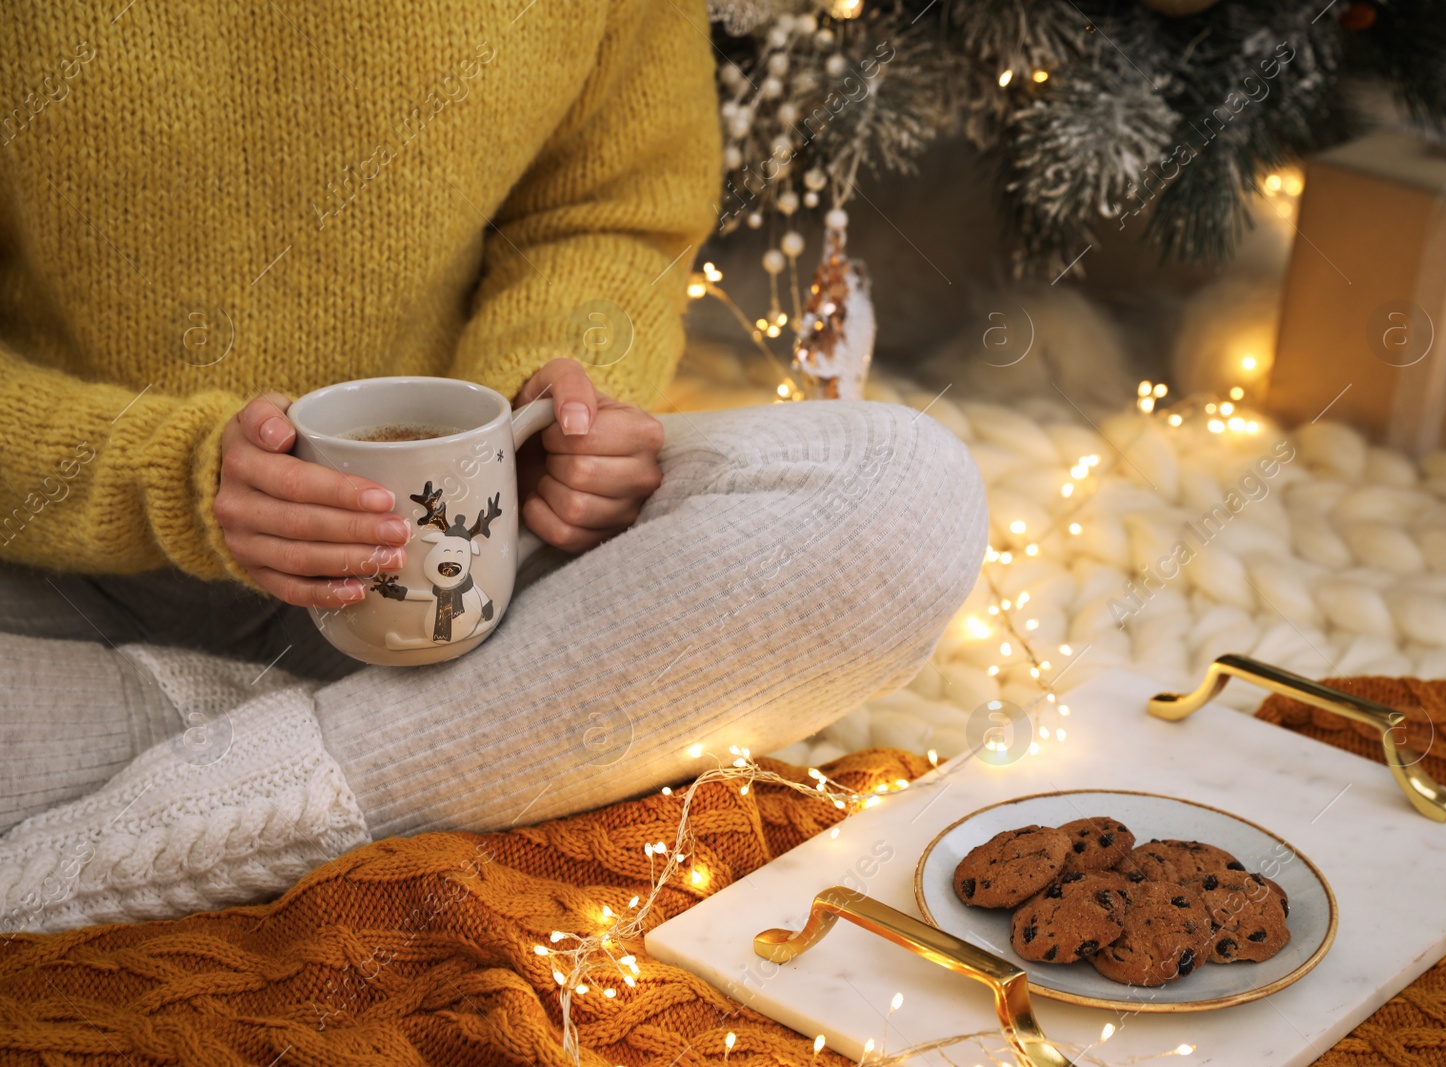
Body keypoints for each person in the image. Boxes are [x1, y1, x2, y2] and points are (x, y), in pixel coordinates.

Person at [0, 2, 985, 933]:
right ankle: (415, 749)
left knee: (901, 497)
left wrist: (552, 404)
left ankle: (183, 807)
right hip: (50, 587)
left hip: (471, 578)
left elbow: (609, 212)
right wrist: (163, 475)